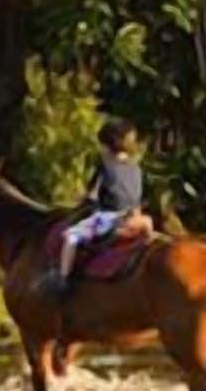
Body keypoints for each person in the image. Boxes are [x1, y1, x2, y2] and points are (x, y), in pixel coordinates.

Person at [47, 118, 148, 295]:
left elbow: (91, 196)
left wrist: (80, 204)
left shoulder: (105, 164)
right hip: (134, 217)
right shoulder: (136, 168)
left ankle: (62, 280)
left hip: (108, 218)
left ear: (108, 145)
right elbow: (136, 198)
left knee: (71, 236)